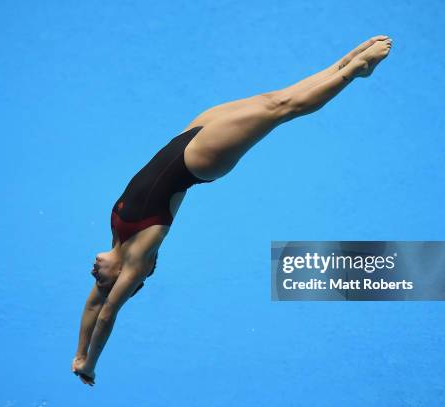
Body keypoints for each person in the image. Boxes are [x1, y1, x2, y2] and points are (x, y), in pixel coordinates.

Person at [72, 35, 393, 385]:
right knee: (282, 110)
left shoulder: (117, 240)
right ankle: (356, 71)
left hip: (188, 136)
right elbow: (105, 315)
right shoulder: (137, 260)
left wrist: (77, 353)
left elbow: (91, 309)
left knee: (274, 99)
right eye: (101, 281)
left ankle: (348, 61)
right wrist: (90, 365)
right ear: (122, 278)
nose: (93, 275)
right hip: (200, 159)